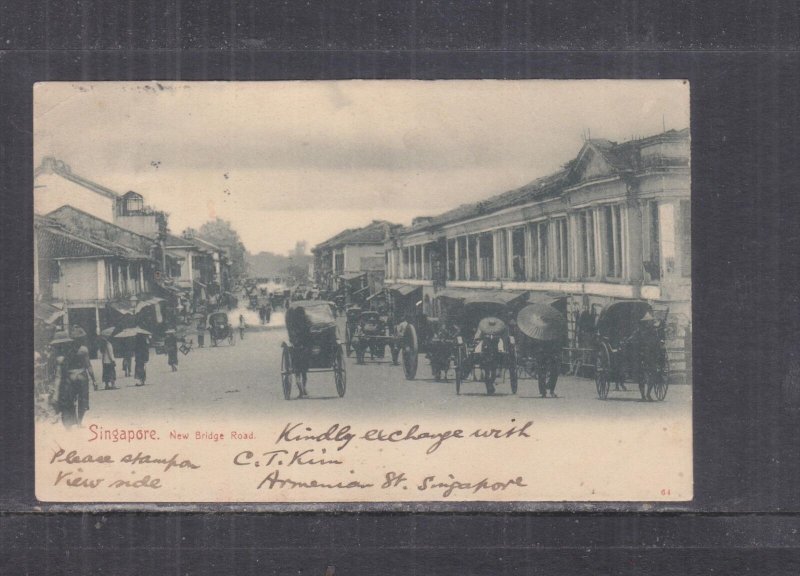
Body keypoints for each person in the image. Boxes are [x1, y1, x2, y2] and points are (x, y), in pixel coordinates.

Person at [54, 328, 96, 427]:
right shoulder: (83, 350)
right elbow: (88, 365)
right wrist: (94, 380)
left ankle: (72, 421)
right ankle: (80, 422)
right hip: (82, 376)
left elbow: (62, 365)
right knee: (83, 400)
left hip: (70, 377)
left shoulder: (66, 350)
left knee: (70, 400)